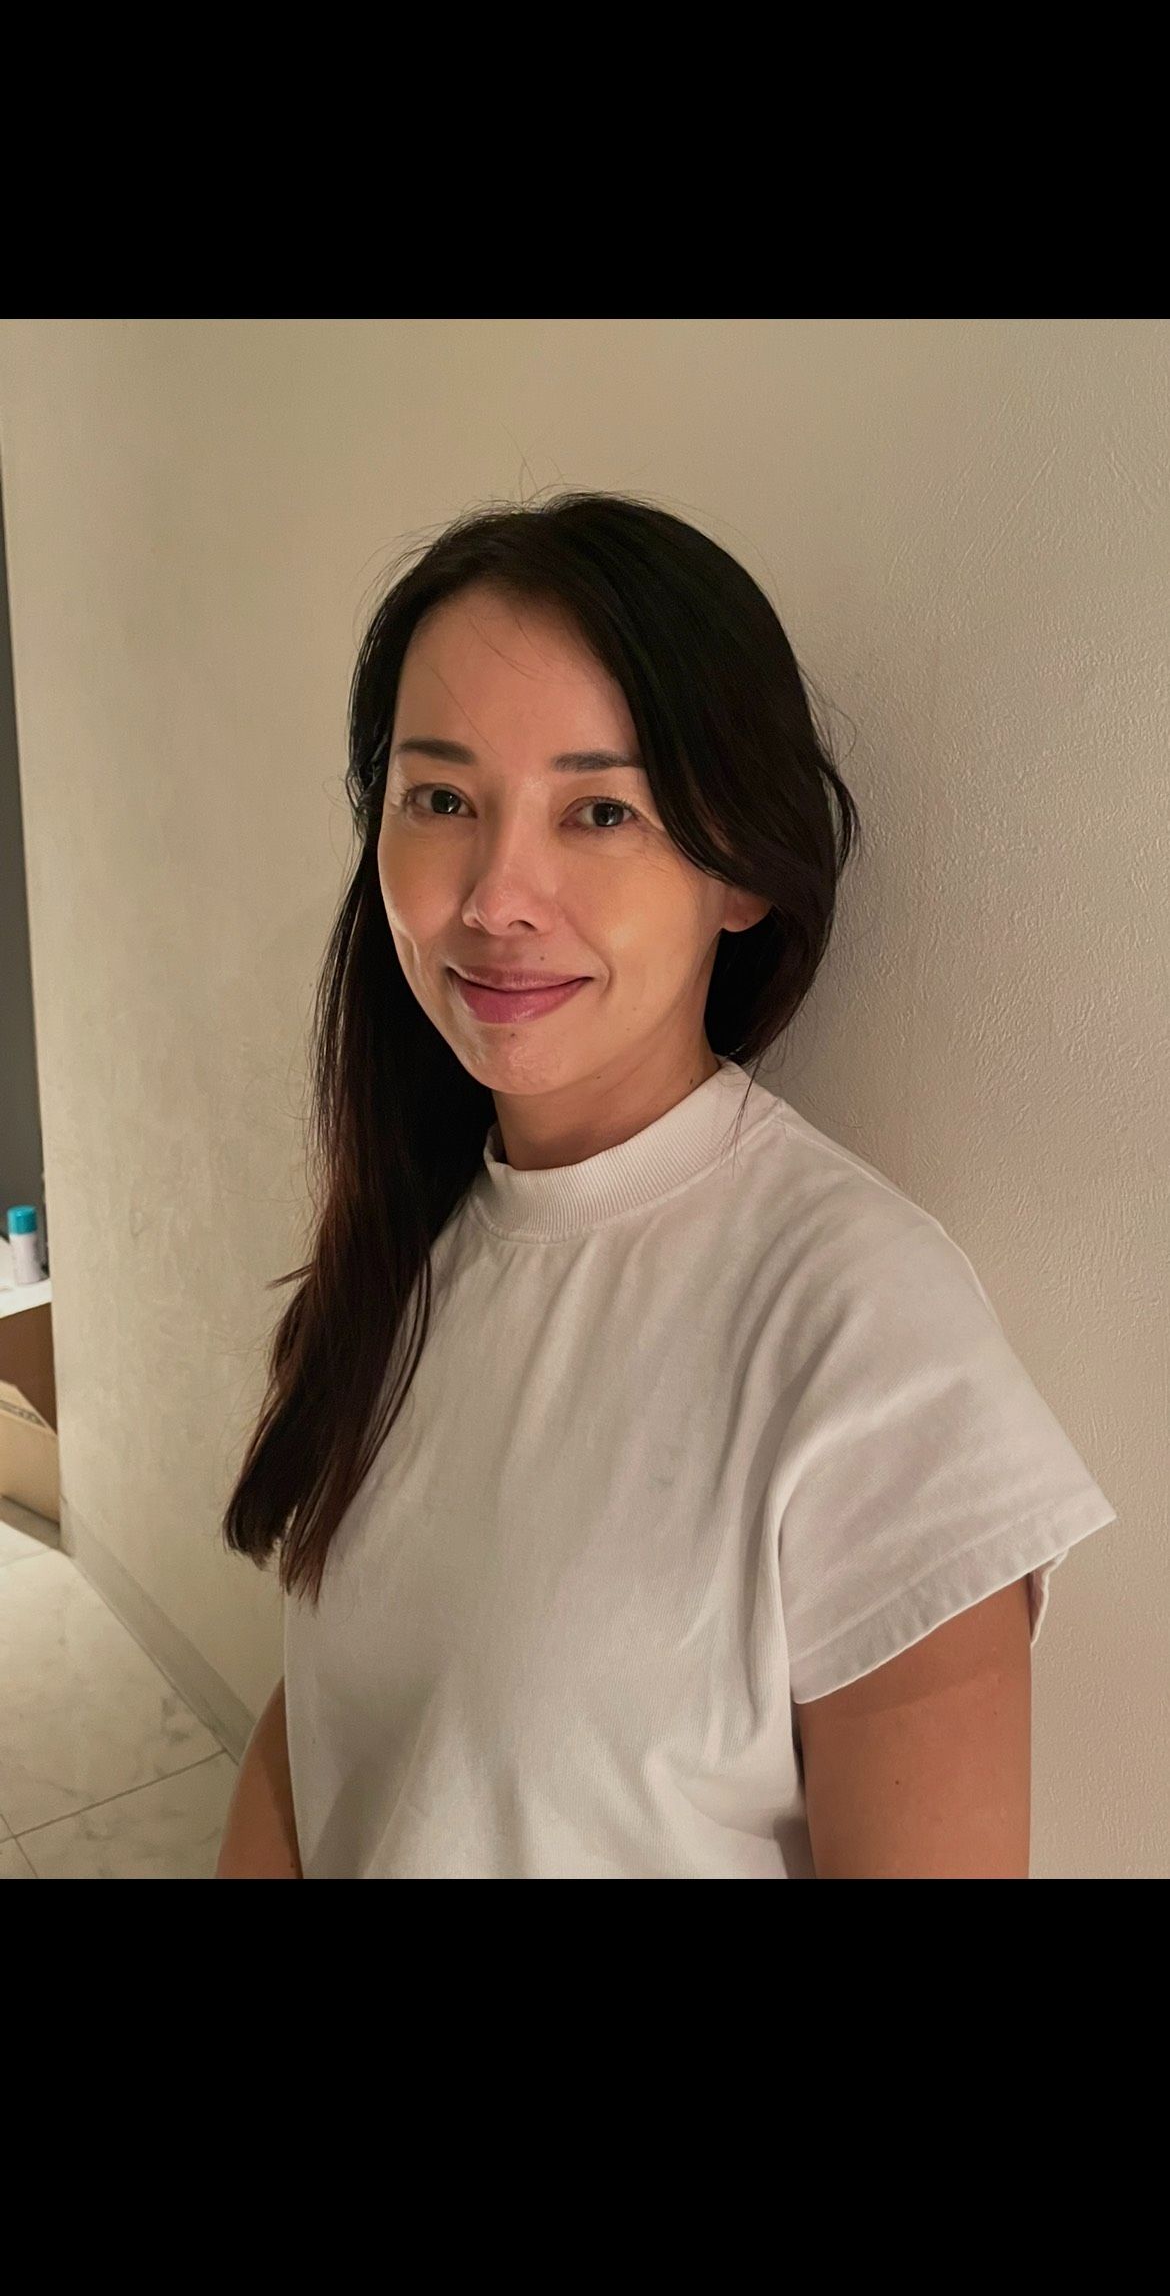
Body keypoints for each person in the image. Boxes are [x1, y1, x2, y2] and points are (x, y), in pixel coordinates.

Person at [215, 491, 1117, 1878]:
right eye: (441, 799)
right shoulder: (411, 1239)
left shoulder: (865, 1333)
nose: (496, 896)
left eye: (601, 810)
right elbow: (331, 1729)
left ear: (741, 872)